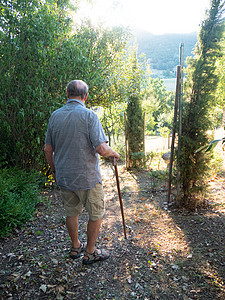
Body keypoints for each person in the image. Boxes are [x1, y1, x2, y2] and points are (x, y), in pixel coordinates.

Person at [44, 79, 120, 265]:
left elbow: (47, 149)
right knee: (96, 213)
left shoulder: (55, 116)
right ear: (85, 96)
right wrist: (114, 153)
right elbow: (101, 148)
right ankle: (90, 252)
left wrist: (54, 170)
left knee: (72, 212)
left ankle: (76, 246)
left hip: (65, 176)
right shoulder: (89, 116)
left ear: (68, 95)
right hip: (87, 178)